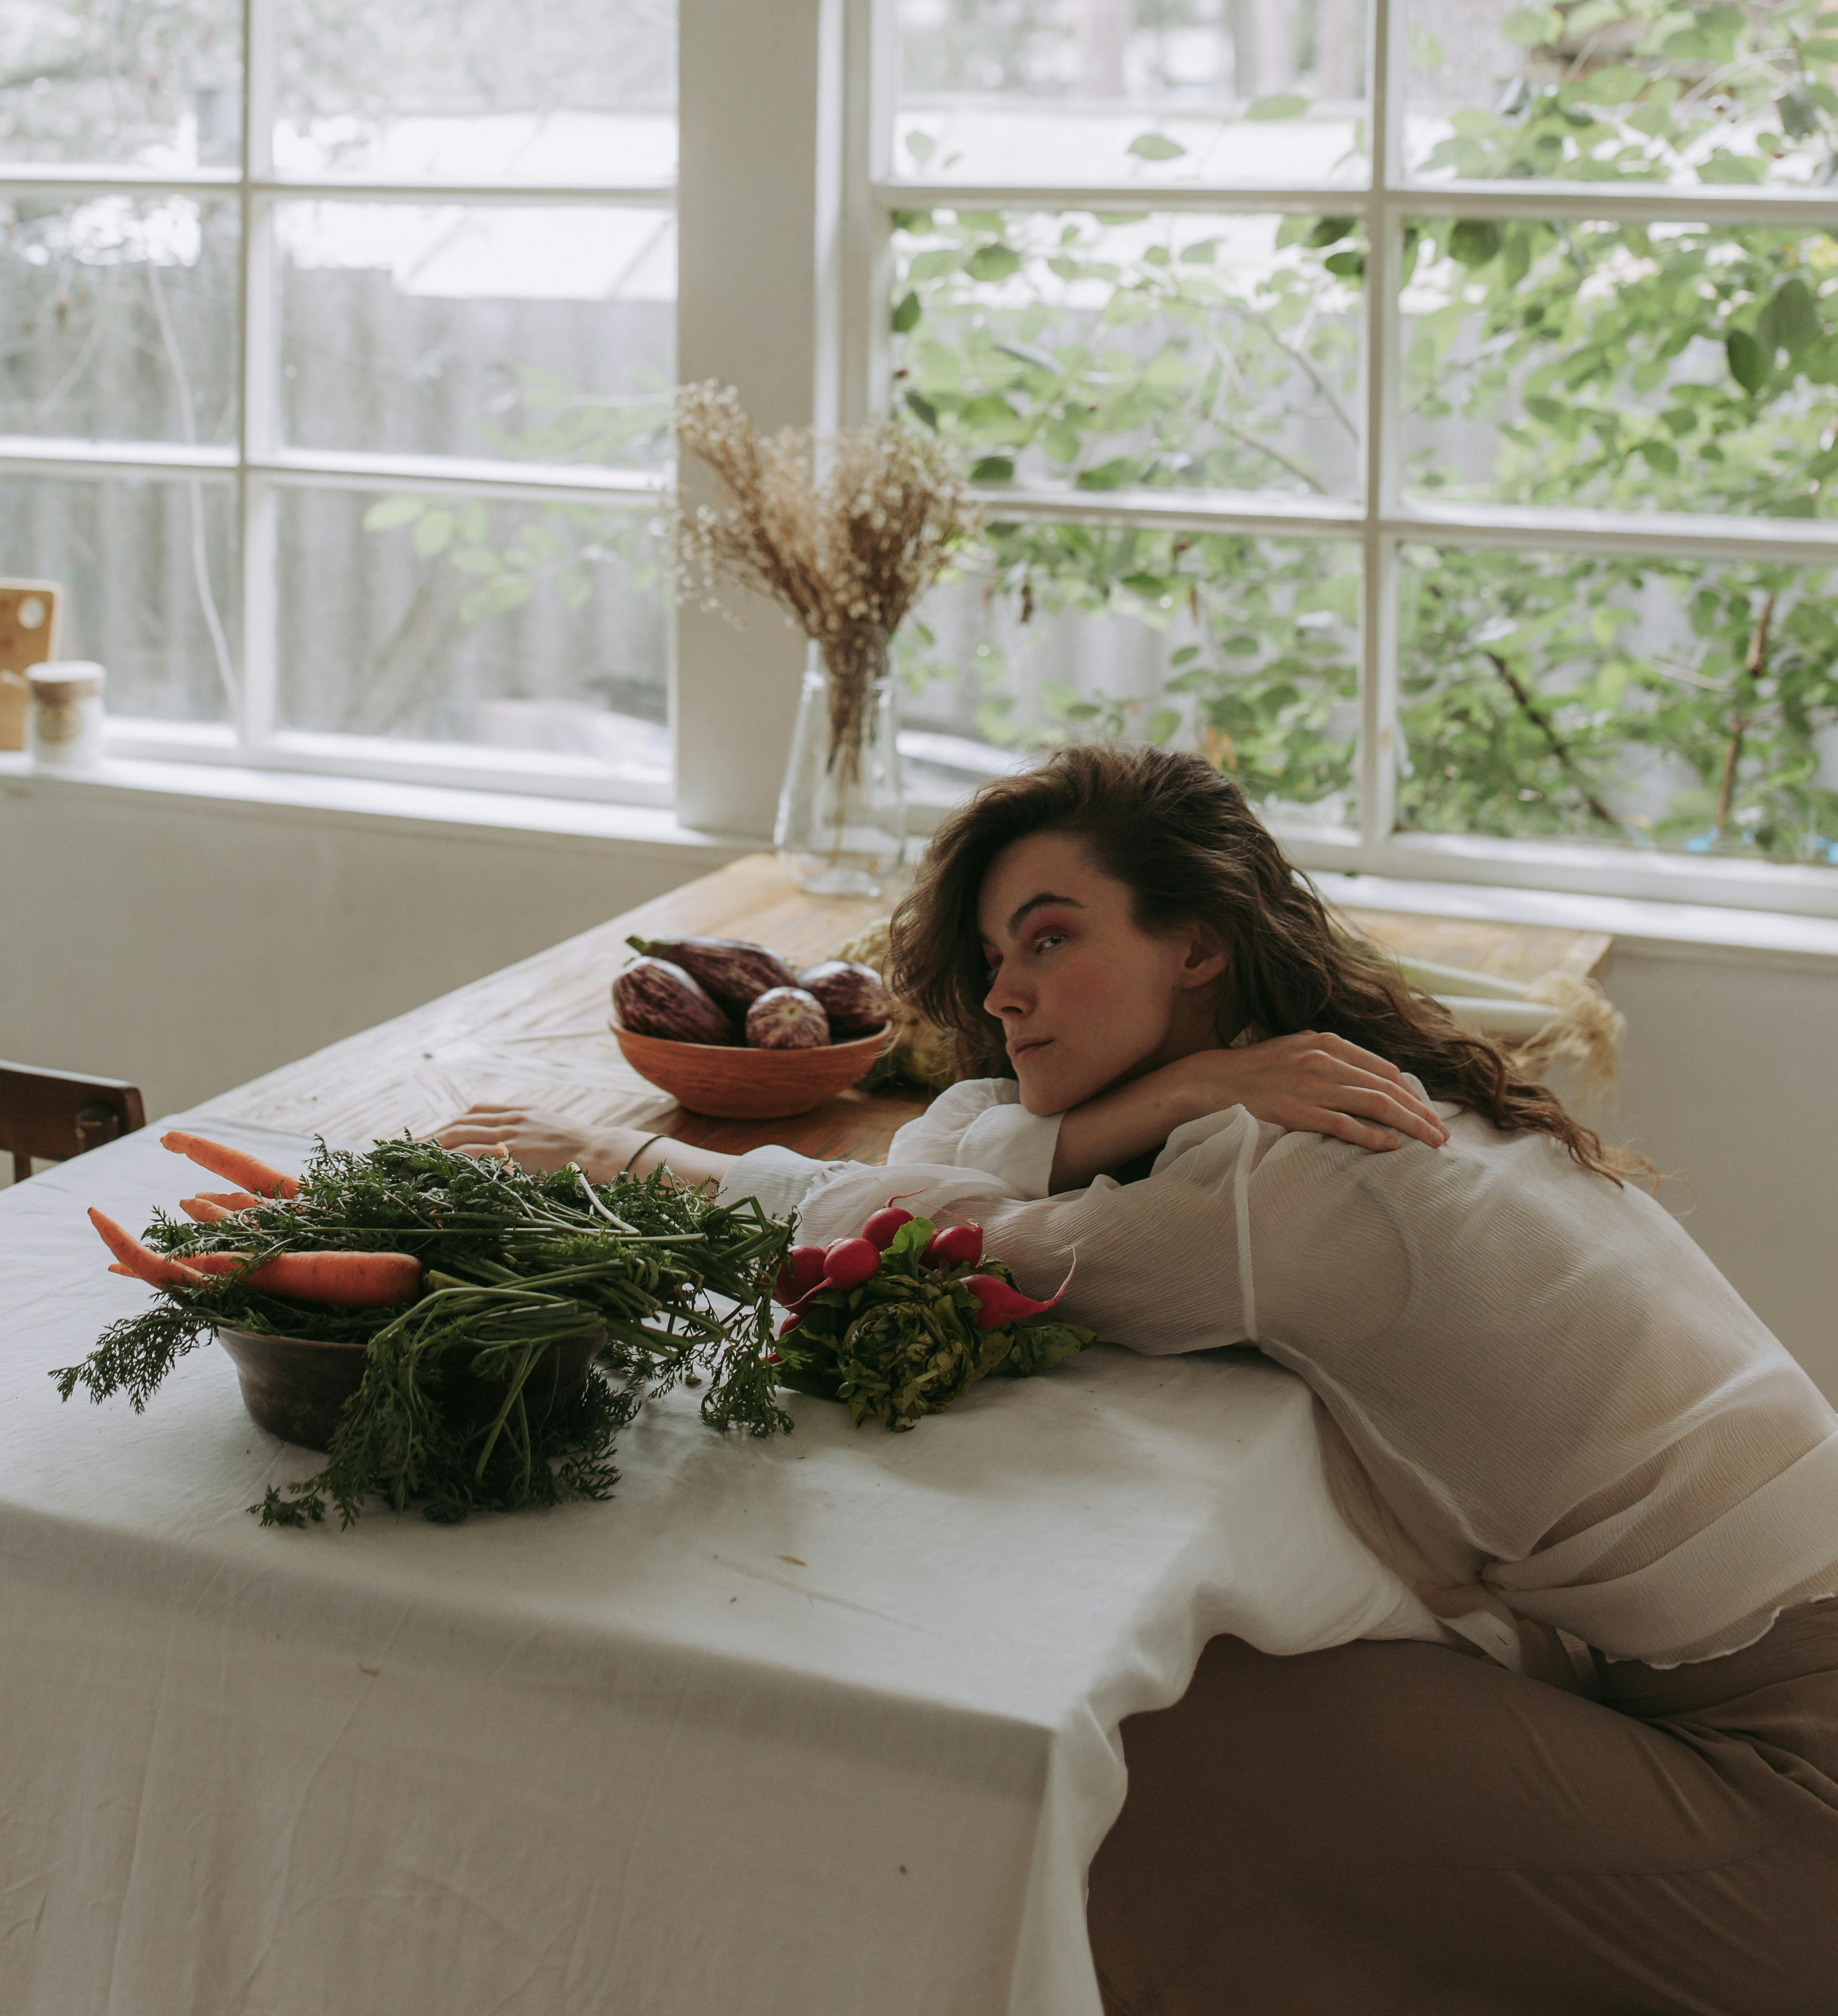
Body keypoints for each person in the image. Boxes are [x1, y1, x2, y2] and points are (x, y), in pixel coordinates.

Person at [438, 741, 1838, 2016]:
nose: (1004, 993)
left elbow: (930, 1238)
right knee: (1187, 1734)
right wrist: (1170, 1093)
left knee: (1138, 1754)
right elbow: (962, 1158)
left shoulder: (1305, 1186)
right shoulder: (1346, 1103)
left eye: (1050, 939)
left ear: (1196, 947)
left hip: (1796, 1794)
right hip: (1716, 1695)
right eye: (994, 957)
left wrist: (631, 1160)